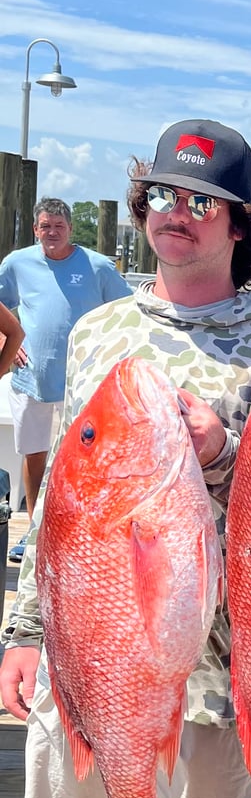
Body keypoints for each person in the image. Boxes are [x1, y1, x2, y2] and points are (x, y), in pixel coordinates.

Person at [0, 118, 251, 798]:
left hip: (215, 671)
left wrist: (223, 453)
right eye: (164, 194)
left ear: (238, 225)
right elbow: (61, 498)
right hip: (87, 653)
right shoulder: (100, 332)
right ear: (142, 208)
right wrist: (25, 633)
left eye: (205, 200)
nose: (180, 212)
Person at [0, 197, 132, 562]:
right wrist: (4, 338)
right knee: (34, 452)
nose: (52, 232)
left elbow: (127, 313)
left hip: (83, 381)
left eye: (58, 226)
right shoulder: (17, 263)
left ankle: (80, 532)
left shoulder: (99, 267)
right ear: (35, 229)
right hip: (31, 378)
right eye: (45, 226)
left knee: (84, 457)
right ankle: (33, 532)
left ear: (71, 230)